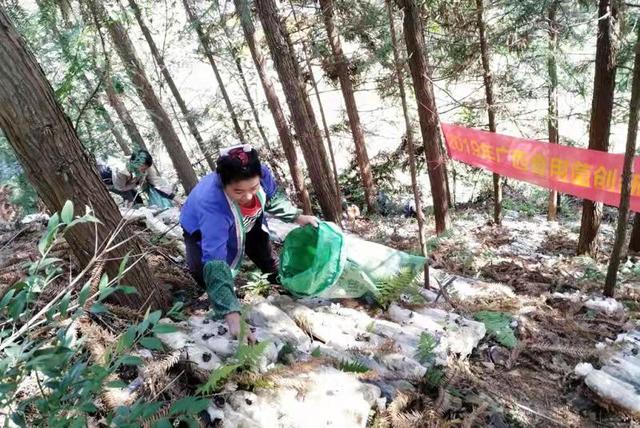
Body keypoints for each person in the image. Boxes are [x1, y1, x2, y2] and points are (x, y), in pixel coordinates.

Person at [180, 144, 317, 340]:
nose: (248, 196)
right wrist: (234, 318)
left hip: (249, 218)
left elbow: (273, 198)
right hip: (200, 228)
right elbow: (215, 259)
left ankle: (282, 283)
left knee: (263, 252)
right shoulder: (211, 202)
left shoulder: (262, 173)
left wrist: (297, 217)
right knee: (200, 268)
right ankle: (222, 301)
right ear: (223, 183)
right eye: (238, 191)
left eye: (254, 188)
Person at [98, 150, 175, 208]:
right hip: (111, 182)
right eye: (142, 169)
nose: (144, 171)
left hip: (128, 180)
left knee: (137, 198)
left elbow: (156, 182)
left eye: (145, 168)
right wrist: (136, 183)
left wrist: (173, 197)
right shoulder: (121, 171)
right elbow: (120, 188)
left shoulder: (145, 164)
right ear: (132, 162)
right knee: (132, 200)